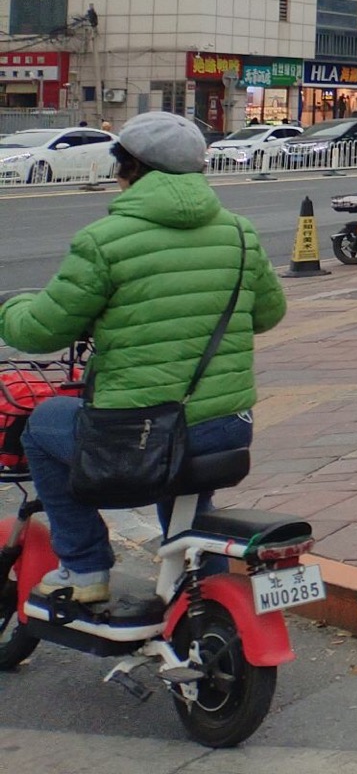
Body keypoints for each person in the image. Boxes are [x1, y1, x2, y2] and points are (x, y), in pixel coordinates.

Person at [0, 112, 286, 604]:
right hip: (226, 428)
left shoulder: (105, 241)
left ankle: (84, 568)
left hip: (138, 435)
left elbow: (41, 330)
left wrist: (10, 309)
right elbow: (268, 314)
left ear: (128, 168)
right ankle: (201, 597)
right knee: (186, 497)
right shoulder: (240, 233)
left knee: (43, 425)